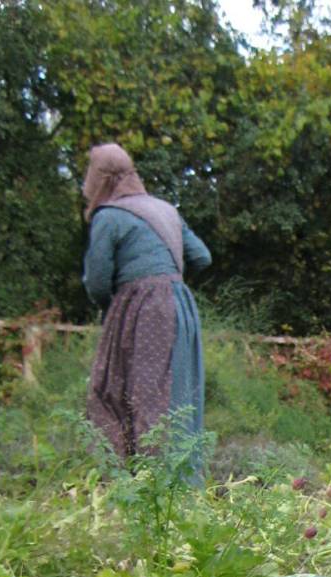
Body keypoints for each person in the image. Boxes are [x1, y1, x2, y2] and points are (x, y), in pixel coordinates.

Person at [82, 143, 211, 471]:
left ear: (102, 179)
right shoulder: (166, 210)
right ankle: (178, 485)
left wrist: (118, 304)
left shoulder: (109, 217)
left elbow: (96, 281)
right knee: (176, 395)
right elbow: (202, 257)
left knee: (123, 392)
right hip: (179, 307)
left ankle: (135, 483)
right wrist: (168, 277)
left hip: (141, 309)